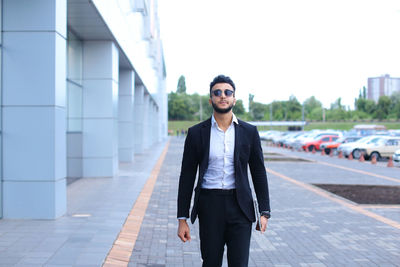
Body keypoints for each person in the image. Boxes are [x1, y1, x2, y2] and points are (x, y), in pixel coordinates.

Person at [177, 75, 271, 267]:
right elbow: (186, 176)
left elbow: (259, 172)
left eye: (228, 92)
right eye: (217, 93)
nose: (223, 96)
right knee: (211, 263)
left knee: (239, 264)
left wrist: (265, 211)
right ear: (211, 99)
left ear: (234, 99)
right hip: (209, 205)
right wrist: (182, 218)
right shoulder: (196, 133)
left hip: (240, 206)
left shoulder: (249, 132)